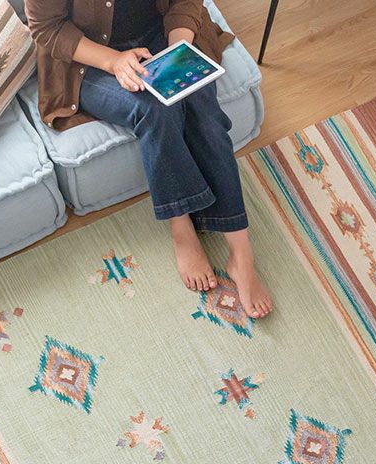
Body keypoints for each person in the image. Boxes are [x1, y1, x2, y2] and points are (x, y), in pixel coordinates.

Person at [26, 0, 273, 318]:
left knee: (203, 109)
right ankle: (181, 225)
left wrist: (179, 52)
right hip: (89, 60)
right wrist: (114, 61)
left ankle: (241, 252)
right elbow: (47, 28)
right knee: (155, 110)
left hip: (161, 33)